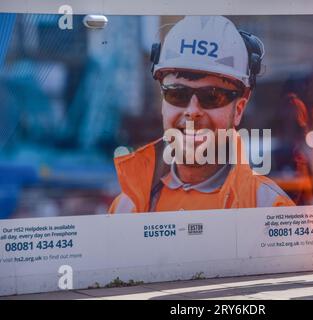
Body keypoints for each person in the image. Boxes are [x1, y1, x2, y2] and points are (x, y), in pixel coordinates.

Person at [109, 16, 295, 214]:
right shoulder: (126, 208)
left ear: (238, 110)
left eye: (212, 97)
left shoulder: (269, 210)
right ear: (164, 103)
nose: (192, 111)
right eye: (177, 94)